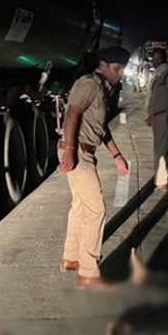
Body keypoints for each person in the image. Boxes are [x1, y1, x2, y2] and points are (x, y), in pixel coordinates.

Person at [58, 46, 131, 291]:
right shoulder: (89, 84)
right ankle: (88, 272)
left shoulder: (102, 89)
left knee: (80, 206)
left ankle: (71, 257)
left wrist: (117, 155)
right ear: (102, 64)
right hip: (77, 151)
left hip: (83, 149)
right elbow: (72, 115)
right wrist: (69, 150)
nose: (120, 73)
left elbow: (102, 128)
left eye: (123, 69)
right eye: (117, 68)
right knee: (96, 209)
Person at [145, 48, 168, 191]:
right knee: (164, 148)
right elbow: (155, 99)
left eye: (156, 58)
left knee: (160, 151)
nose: (154, 61)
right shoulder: (158, 74)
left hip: (166, 116)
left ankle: (162, 181)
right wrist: (151, 115)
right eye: (153, 58)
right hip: (157, 117)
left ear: (162, 58)